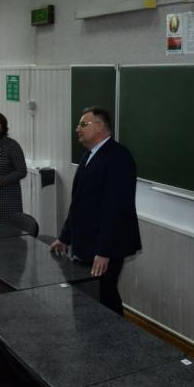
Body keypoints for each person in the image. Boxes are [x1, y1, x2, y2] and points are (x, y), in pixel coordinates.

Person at [50, 106, 141, 315]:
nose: (77, 129)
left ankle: (116, 334)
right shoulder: (89, 155)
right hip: (86, 242)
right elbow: (79, 203)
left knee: (104, 297)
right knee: (87, 296)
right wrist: (65, 237)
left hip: (106, 246)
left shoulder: (119, 157)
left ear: (99, 126)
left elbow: (116, 208)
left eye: (83, 124)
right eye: (78, 125)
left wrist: (104, 250)